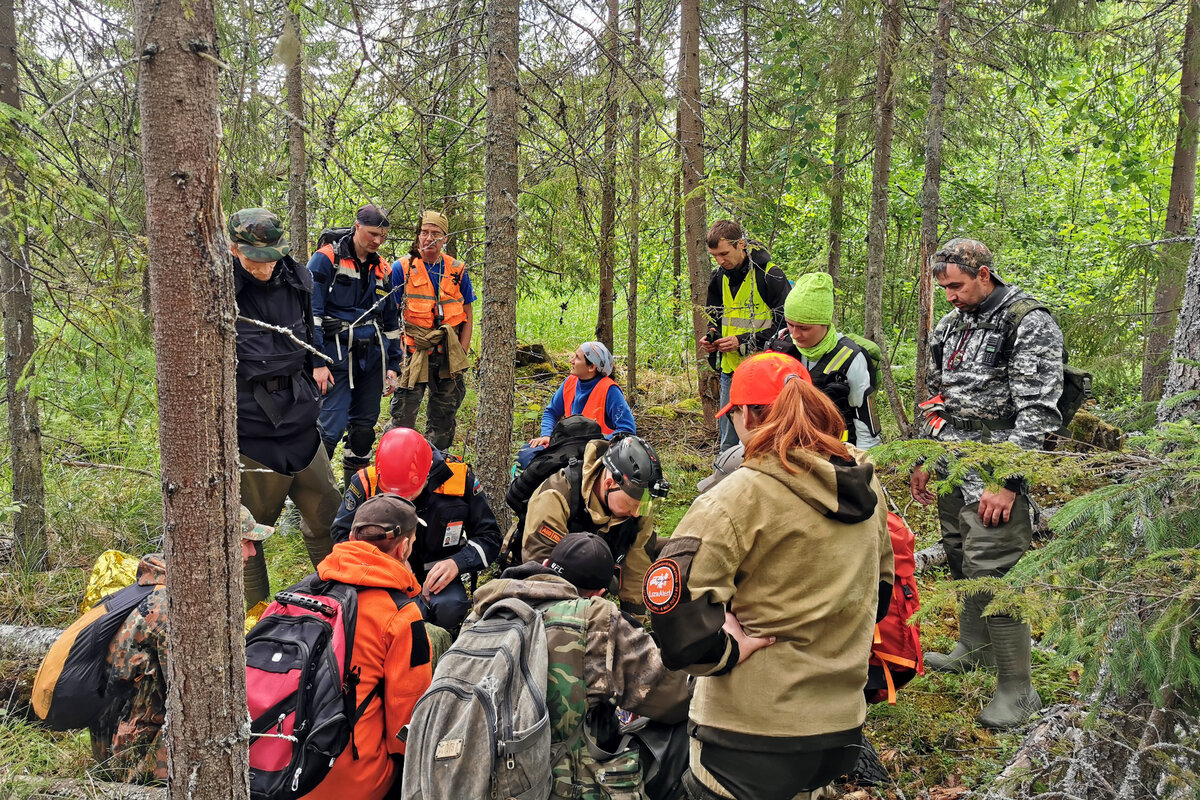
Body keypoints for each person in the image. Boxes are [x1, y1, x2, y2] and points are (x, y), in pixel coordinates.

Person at [646, 352, 893, 800]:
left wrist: (726, 651)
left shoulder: (738, 496)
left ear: (745, 414)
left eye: (733, 415)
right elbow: (881, 591)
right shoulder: (865, 484)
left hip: (748, 734)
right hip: (840, 728)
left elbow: (672, 609)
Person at [910, 237, 1062, 730]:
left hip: (996, 468)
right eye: (943, 288)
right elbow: (935, 395)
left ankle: (1019, 690)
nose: (950, 296)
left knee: (995, 569)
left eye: (956, 286)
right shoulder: (950, 325)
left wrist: (1009, 482)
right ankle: (974, 647)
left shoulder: (1027, 321)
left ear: (983, 274)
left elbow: (1039, 410)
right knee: (960, 554)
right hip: (951, 461)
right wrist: (924, 456)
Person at [459, 533, 690, 796]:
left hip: (473, 779)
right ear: (599, 594)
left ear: (545, 565)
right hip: (550, 785)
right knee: (685, 731)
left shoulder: (483, 611)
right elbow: (674, 699)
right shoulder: (595, 620)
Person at [90, 507, 276, 784]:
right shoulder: (179, 609)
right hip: (134, 756)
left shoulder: (168, 589)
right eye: (246, 542)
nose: (252, 553)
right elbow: (203, 698)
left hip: (125, 739)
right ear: (215, 546)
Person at [229, 207, 340, 606]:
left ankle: (338, 600)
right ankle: (252, 617)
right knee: (246, 533)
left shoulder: (296, 277)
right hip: (253, 431)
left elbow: (307, 332)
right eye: (255, 259)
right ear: (234, 249)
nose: (264, 268)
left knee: (328, 516)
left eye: (271, 257)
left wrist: (316, 364)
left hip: (301, 420)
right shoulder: (218, 289)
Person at [300, 493, 434, 800]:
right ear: (403, 548)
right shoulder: (401, 616)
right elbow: (407, 726)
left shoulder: (298, 593)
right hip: (352, 782)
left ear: (351, 539)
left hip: (276, 768)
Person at [331, 426, 501, 631]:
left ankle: (438, 640)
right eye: (392, 495)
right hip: (381, 574)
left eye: (409, 494)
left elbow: (489, 537)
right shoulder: (367, 482)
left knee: (450, 608)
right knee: (372, 613)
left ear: (427, 474)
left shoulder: (459, 480)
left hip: (436, 576)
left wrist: (457, 563)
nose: (403, 502)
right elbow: (342, 534)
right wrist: (387, 562)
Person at [521, 434, 669, 618]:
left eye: (643, 506)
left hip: (594, 580)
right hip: (544, 579)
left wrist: (633, 623)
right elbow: (541, 568)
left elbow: (637, 570)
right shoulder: (556, 496)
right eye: (632, 504)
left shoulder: (637, 506)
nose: (637, 513)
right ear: (609, 484)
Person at [308, 203, 404, 485]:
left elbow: (391, 321)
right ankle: (309, 496)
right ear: (357, 226)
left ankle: (355, 493)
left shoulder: (383, 269)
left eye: (383, 236)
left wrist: (393, 365)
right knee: (328, 431)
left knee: (363, 432)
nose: (378, 241)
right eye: (373, 234)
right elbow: (310, 315)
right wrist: (316, 363)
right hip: (334, 358)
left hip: (372, 359)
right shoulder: (326, 260)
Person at [697, 219, 790, 453]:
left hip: (765, 373)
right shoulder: (718, 277)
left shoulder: (770, 275)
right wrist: (712, 339)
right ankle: (725, 472)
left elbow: (786, 327)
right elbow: (715, 319)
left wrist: (743, 341)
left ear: (741, 245)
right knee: (728, 442)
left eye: (724, 254)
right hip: (730, 372)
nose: (720, 261)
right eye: (714, 255)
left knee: (765, 439)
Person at [388, 210, 474, 451]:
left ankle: (436, 462)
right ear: (418, 235)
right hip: (413, 354)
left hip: (448, 354)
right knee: (403, 416)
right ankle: (397, 459)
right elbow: (389, 316)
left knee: (444, 419)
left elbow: (468, 313)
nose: (429, 238)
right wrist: (397, 353)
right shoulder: (402, 268)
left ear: (445, 238)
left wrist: (462, 351)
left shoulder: (457, 269)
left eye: (435, 233)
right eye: (424, 232)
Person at [767, 272, 881, 448]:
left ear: (825, 323)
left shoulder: (851, 359)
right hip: (787, 449)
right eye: (790, 324)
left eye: (804, 328)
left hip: (834, 451)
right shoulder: (780, 344)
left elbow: (866, 428)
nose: (795, 334)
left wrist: (862, 462)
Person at [520, 341, 636, 466]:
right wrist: (546, 435)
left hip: (594, 455)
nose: (572, 361)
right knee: (525, 455)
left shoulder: (610, 390)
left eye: (577, 358)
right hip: (567, 446)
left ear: (591, 367)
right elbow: (551, 412)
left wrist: (595, 445)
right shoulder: (570, 382)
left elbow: (627, 430)